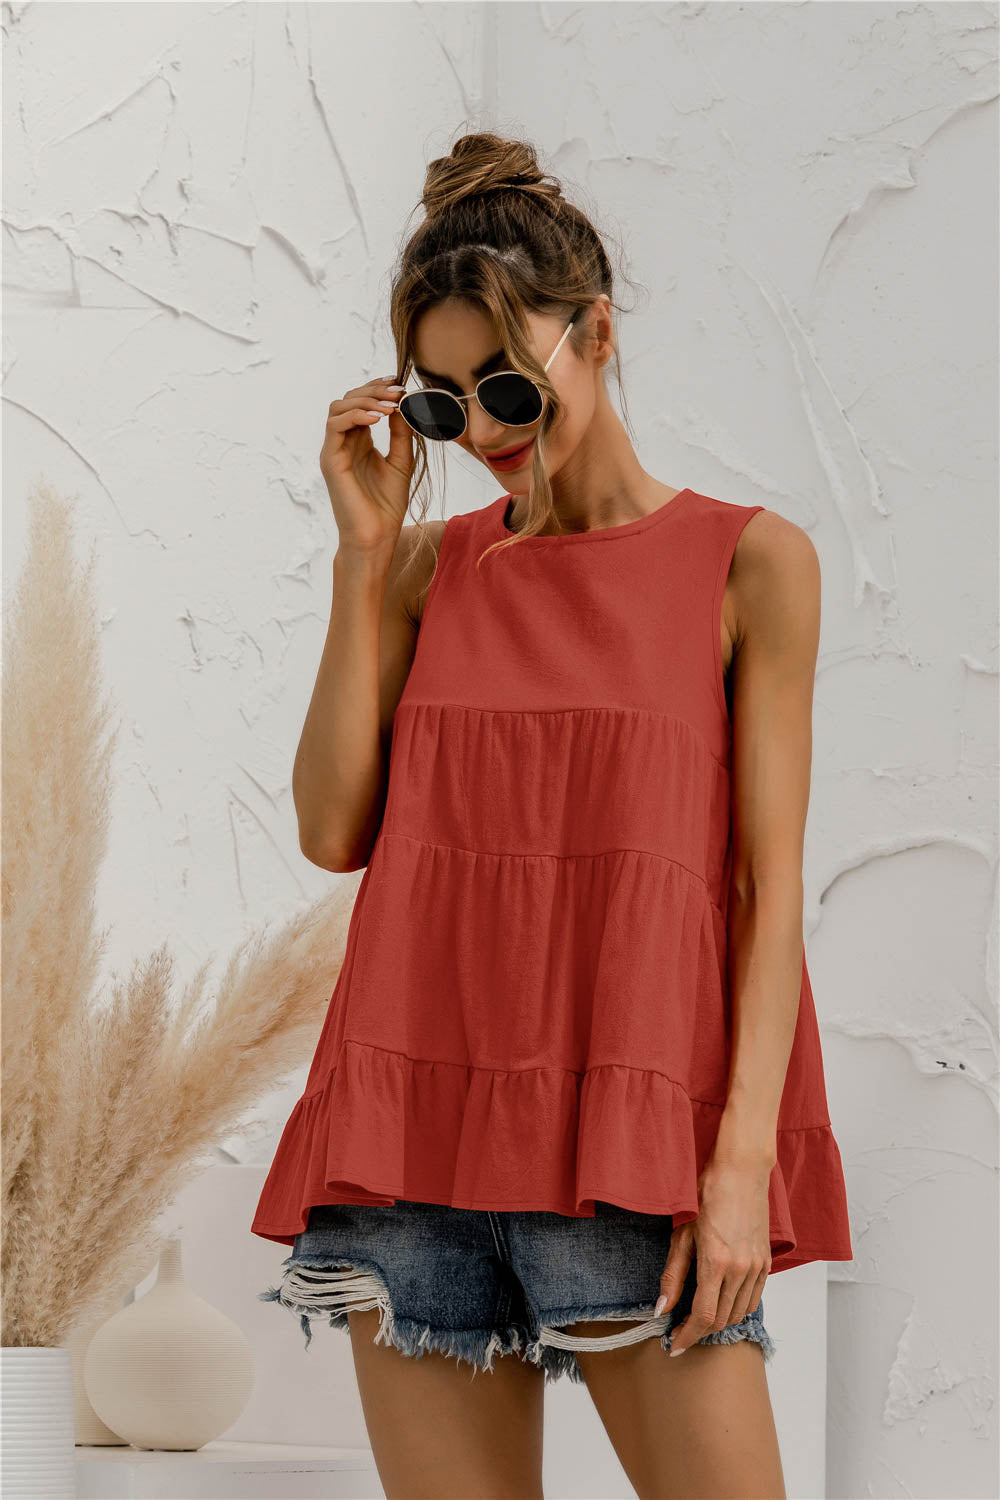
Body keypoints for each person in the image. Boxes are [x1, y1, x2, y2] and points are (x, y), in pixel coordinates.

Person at [252, 129, 852, 1500]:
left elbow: (764, 890)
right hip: (410, 1156)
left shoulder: (751, 566)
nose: (488, 434)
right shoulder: (423, 571)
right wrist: (361, 561)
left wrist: (739, 1169)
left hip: (631, 1153)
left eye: (512, 385)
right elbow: (333, 829)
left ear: (599, 333)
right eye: (446, 405)